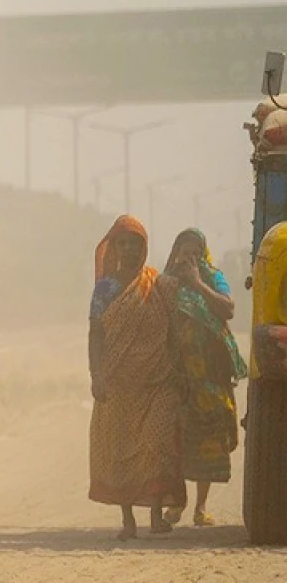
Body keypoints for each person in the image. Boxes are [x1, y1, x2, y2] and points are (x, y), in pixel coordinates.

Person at [88, 215, 186, 540]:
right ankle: (128, 520)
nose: (129, 249)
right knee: (120, 451)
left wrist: (179, 371)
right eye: (123, 243)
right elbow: (96, 334)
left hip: (158, 382)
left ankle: (156, 516)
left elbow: (174, 331)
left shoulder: (158, 285)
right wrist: (96, 376)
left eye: (136, 244)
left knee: (156, 446)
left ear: (144, 248)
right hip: (118, 384)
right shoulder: (105, 288)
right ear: (114, 247)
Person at [161, 228, 247, 527]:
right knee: (176, 441)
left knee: (208, 439)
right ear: (175, 252)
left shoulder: (213, 278)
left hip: (210, 376)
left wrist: (197, 283)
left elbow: (229, 308)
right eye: (185, 251)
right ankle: (177, 504)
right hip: (178, 375)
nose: (190, 256)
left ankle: (201, 507)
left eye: (196, 252)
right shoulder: (164, 283)